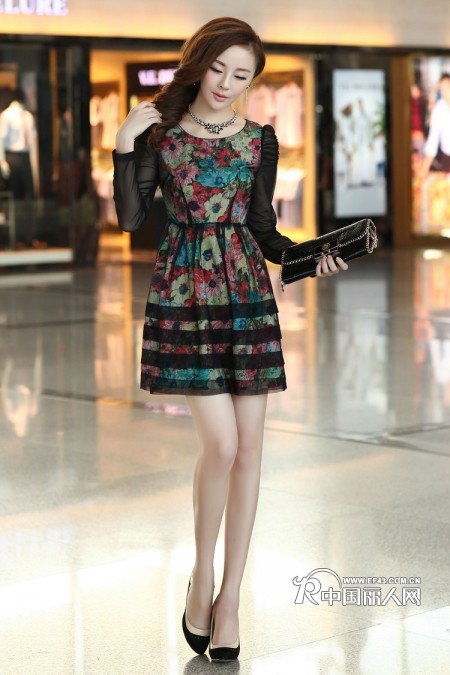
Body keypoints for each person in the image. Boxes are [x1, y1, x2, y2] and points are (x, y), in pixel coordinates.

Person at [112, 17, 349, 663]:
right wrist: (125, 143)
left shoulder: (258, 141)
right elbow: (132, 219)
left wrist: (313, 258)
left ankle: (231, 598)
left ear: (251, 81)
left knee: (249, 450)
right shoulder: (160, 135)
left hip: (247, 296)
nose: (225, 83)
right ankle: (202, 575)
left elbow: (264, 232)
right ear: (198, 63)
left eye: (240, 75)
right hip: (184, 297)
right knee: (220, 444)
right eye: (218, 68)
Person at [420, 73, 450, 176]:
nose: (445, 93)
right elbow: (433, 140)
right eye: (442, 89)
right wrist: (424, 168)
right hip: (446, 159)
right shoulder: (439, 109)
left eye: (447, 88)